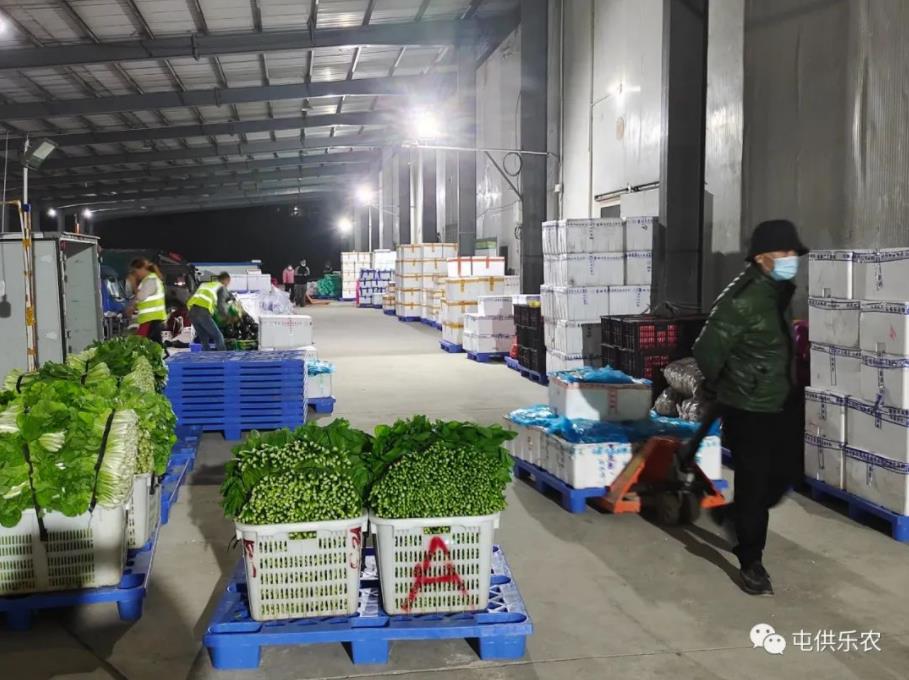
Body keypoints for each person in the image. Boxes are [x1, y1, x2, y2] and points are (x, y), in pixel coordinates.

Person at [692, 219, 808, 597]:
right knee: (755, 485)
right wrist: (731, 386)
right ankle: (751, 560)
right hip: (749, 407)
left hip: (782, 399)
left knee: (784, 476)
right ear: (761, 258)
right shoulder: (740, 299)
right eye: (784, 252)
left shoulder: (777, 291)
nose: (791, 258)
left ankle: (734, 514)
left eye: (793, 252)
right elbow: (706, 350)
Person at [127, 258, 167, 345]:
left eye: (135, 271)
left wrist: (133, 283)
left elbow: (141, 296)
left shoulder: (151, 280)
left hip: (151, 319)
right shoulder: (148, 280)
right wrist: (133, 307)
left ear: (142, 269)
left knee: (150, 344)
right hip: (152, 318)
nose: (136, 274)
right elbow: (140, 299)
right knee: (154, 344)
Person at [187, 272, 232, 351]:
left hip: (192, 313)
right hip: (203, 313)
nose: (228, 284)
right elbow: (221, 306)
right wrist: (228, 317)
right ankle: (223, 356)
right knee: (218, 336)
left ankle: (206, 356)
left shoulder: (204, 285)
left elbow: (190, 297)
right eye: (228, 282)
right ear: (226, 280)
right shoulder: (221, 287)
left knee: (204, 338)